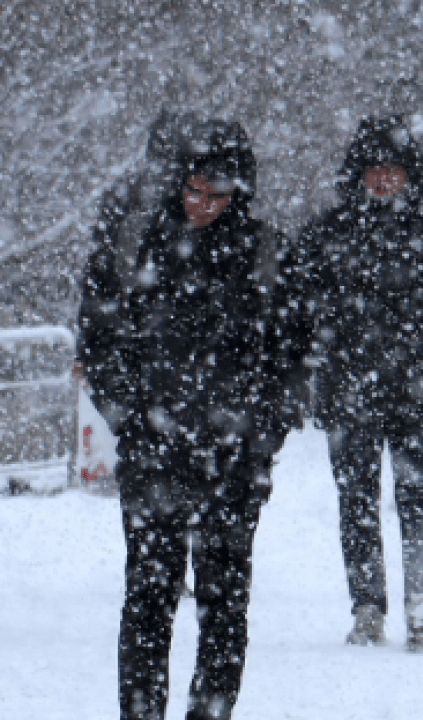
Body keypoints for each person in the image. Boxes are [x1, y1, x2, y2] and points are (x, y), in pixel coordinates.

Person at [78, 115, 297, 720]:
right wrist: (131, 417)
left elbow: (293, 357)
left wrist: (261, 433)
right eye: (194, 190)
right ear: (177, 181)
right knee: (148, 600)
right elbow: (99, 340)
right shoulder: (133, 245)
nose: (203, 205)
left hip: (234, 460)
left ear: (240, 194)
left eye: (218, 195)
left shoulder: (268, 254)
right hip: (154, 454)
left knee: (224, 605)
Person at [292, 115, 423, 651]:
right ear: (358, 173)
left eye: (394, 169)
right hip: (350, 395)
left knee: (419, 503)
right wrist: (311, 377)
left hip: (420, 397)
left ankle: (422, 604)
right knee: (356, 503)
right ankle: (367, 603)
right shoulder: (326, 236)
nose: (384, 180)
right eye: (375, 170)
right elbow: (300, 314)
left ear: (411, 173)